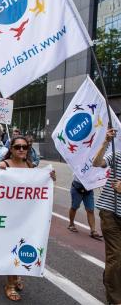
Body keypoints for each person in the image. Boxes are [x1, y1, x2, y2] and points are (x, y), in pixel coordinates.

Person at [0, 136, 56, 302]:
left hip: (25, 215)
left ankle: (16, 277)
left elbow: (35, 187)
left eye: (25, 147)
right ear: (11, 149)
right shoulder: (4, 165)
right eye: (17, 147)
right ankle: (10, 284)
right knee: (12, 247)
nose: (22, 150)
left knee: (22, 245)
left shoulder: (29, 165)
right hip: (8, 215)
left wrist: (49, 179)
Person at [92, 128, 121, 304]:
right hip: (111, 212)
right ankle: (115, 300)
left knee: (117, 260)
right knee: (116, 257)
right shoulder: (117, 155)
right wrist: (105, 142)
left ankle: (110, 278)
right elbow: (97, 163)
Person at [67, 175, 103, 239]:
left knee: (90, 210)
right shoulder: (78, 165)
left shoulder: (95, 166)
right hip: (77, 187)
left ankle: (93, 230)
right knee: (74, 207)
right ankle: (71, 224)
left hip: (89, 189)